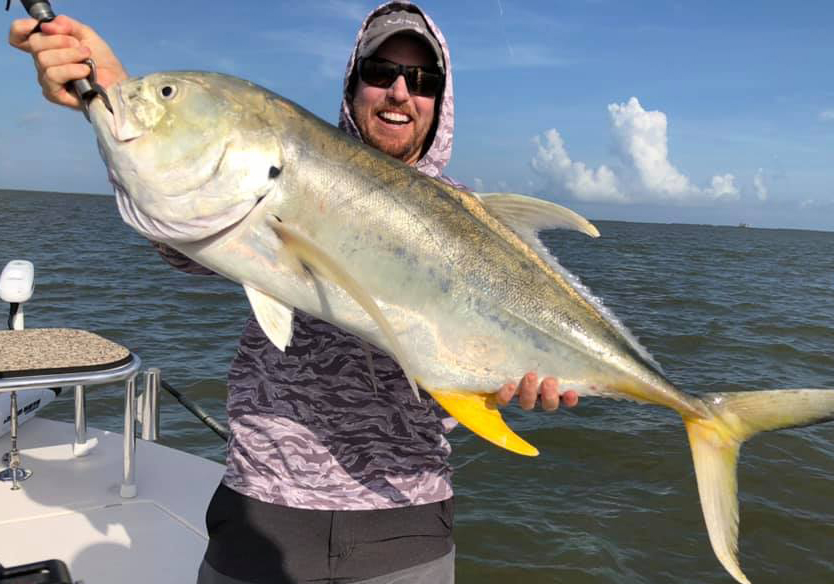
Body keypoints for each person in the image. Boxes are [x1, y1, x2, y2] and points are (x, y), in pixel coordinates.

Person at [10, 3, 579, 583]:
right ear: (353, 83)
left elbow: (491, 353)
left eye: (423, 80)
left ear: (441, 100)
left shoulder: (473, 218)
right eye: (380, 72)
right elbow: (183, 234)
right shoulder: (291, 162)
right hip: (262, 507)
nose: (401, 91)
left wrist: (521, 377)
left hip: (406, 519)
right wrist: (108, 97)